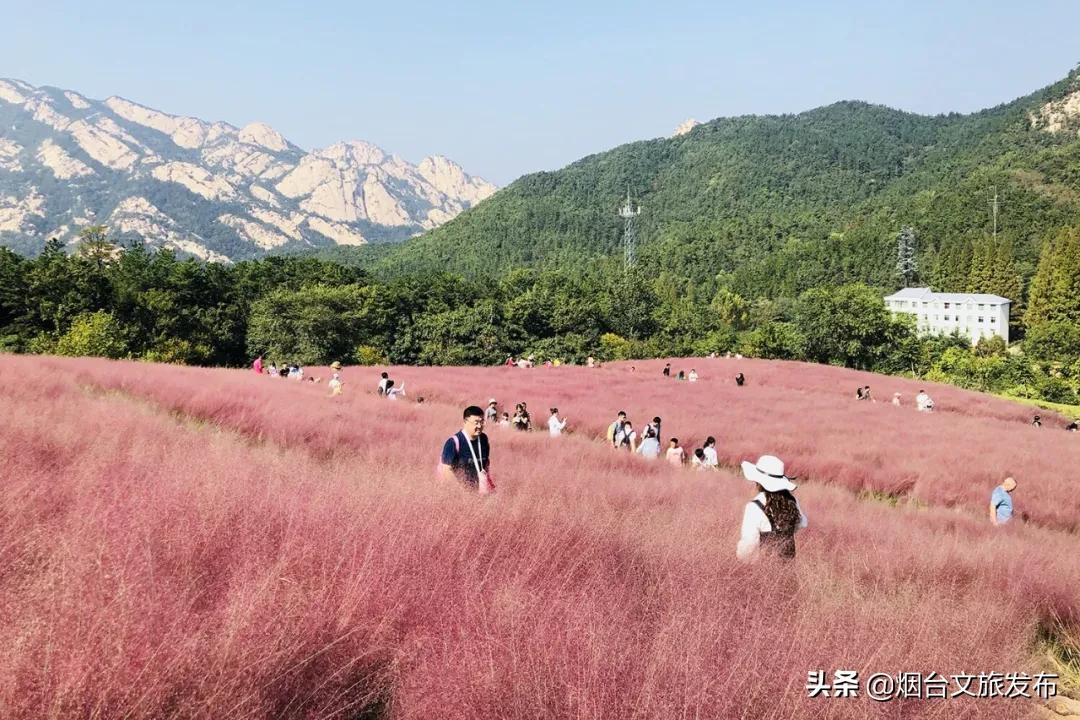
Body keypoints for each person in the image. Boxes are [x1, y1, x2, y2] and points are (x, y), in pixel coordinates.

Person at [736, 455, 807, 561]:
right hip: (790, 567)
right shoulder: (791, 500)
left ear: (758, 481)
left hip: (764, 570)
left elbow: (749, 544)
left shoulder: (754, 507)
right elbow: (802, 523)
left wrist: (742, 562)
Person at [439, 406, 494, 493]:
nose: (479, 426)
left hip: (480, 492)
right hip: (460, 494)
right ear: (465, 422)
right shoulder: (454, 442)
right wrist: (462, 494)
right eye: (476, 422)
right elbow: (446, 470)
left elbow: (485, 464)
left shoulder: (484, 439)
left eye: (482, 422)